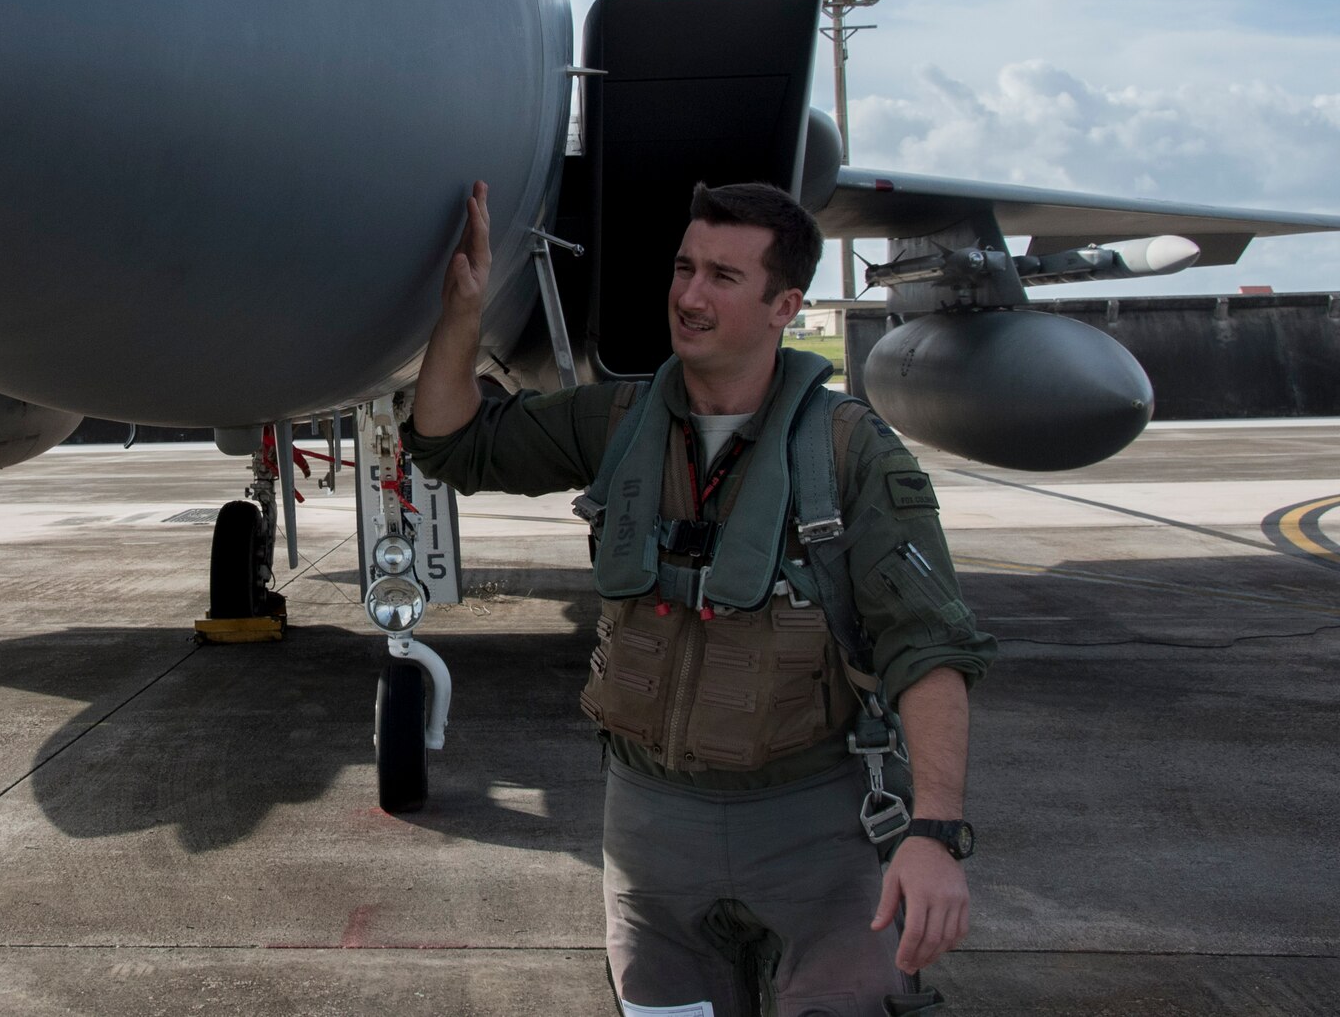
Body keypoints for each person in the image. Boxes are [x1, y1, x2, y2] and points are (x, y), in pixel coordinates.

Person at [403, 179, 995, 1016]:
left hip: (814, 828)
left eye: (723, 276)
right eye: (685, 268)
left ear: (785, 303)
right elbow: (452, 443)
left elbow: (928, 646)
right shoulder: (618, 421)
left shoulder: (851, 450)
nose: (689, 295)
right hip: (652, 830)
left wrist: (933, 834)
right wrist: (463, 308)